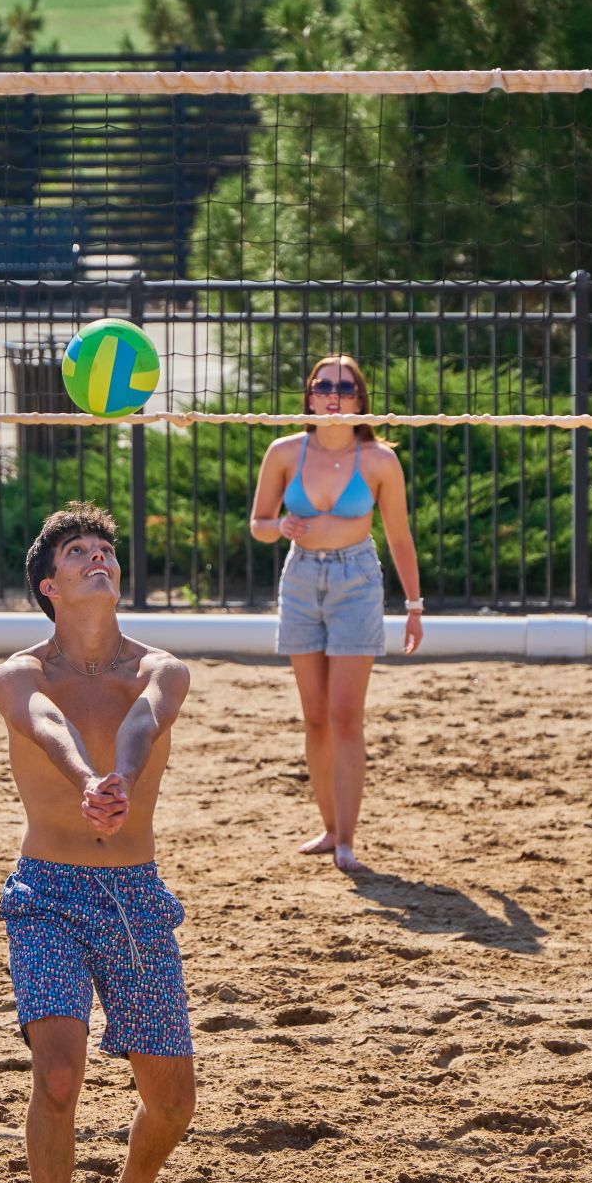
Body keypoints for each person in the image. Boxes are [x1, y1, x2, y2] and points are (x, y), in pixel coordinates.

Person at [0, 501, 201, 1183]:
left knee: (173, 1102)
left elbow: (145, 723)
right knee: (58, 1075)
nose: (97, 558)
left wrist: (120, 777)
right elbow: (42, 722)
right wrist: (88, 783)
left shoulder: (160, 667)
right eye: (78, 551)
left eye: (105, 549)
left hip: (135, 896)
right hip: (47, 891)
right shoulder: (19, 672)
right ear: (50, 585)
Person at [250, 354, 424, 873]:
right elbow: (259, 523)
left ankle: (346, 838)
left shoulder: (378, 460)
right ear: (308, 395)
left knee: (347, 716)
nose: (332, 393)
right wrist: (279, 527)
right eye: (322, 384)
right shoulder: (284, 451)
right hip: (301, 580)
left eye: (345, 387)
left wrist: (414, 607)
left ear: (359, 400)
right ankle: (327, 829)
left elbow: (398, 536)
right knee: (316, 716)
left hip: (356, 581)